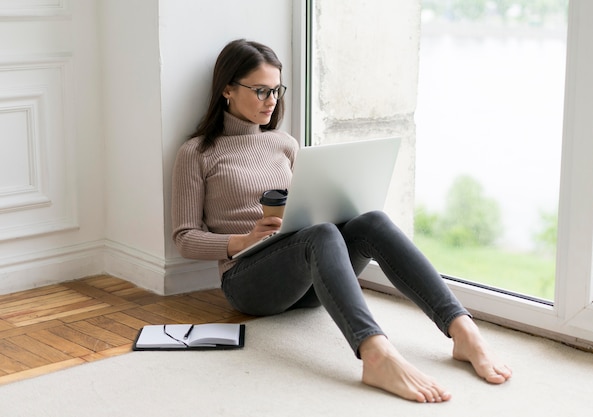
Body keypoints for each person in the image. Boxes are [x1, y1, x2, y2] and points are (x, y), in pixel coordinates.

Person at [171, 39, 512, 403]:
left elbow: (311, 207)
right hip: (247, 282)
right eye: (260, 90)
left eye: (275, 89)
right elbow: (184, 237)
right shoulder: (197, 153)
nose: (271, 99)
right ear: (227, 89)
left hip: (310, 279)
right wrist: (241, 240)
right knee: (319, 235)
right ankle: (375, 354)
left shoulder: (284, 144)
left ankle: (462, 330)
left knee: (372, 223)